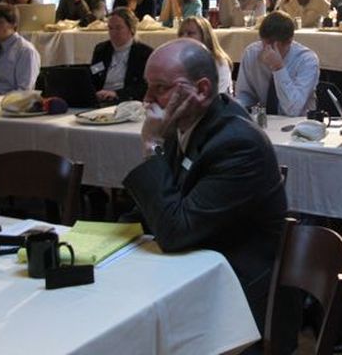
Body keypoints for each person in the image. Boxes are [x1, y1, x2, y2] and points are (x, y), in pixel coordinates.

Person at [122, 38, 288, 346]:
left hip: (237, 300)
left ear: (201, 89)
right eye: (147, 86)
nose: (146, 99)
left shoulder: (238, 144)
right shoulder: (183, 122)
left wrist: (151, 147)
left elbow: (174, 232)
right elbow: (150, 210)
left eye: (160, 87)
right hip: (192, 272)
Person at [235, 10, 319, 116]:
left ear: (289, 42)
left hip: (298, 124)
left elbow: (293, 109)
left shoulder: (307, 60)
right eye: (265, 44)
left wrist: (278, 68)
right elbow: (244, 96)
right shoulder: (252, 53)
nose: (267, 50)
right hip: (266, 121)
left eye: (273, 46)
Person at [89, 8, 153, 103]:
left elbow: (144, 87)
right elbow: (94, 74)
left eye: (118, 28)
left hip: (126, 101)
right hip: (100, 99)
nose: (113, 32)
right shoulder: (101, 50)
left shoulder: (144, 53)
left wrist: (117, 94)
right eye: (110, 28)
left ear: (131, 29)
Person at [178, 16, 233, 95]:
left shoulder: (219, 62)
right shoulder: (178, 62)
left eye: (190, 33)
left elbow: (221, 95)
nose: (184, 37)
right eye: (181, 34)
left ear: (205, 36)